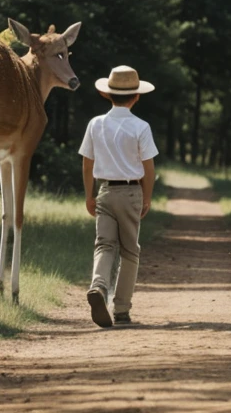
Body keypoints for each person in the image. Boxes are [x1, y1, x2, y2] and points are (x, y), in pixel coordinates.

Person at [78, 65, 158, 328]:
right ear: (136, 96)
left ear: (106, 95)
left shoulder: (95, 123)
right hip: (131, 190)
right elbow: (148, 168)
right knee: (130, 251)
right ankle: (121, 309)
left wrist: (89, 195)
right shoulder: (141, 126)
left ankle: (98, 287)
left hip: (104, 190)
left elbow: (87, 164)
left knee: (103, 245)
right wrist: (146, 197)